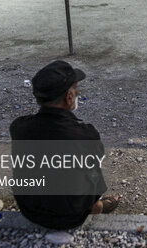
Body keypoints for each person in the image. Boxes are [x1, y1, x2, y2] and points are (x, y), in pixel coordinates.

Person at [10, 60, 119, 230]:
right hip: (71, 217)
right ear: (69, 97)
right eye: (76, 90)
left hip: (30, 211)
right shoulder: (85, 135)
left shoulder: (19, 127)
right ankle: (96, 207)